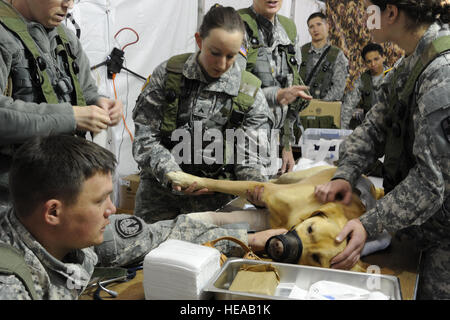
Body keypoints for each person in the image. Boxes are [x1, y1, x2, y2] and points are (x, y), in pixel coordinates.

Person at [0, 135, 286, 300]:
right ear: (53, 212)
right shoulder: (10, 286)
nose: (112, 210)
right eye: (100, 201)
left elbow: (161, 235)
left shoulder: (71, 231)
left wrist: (248, 238)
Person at [314, 0, 450, 299]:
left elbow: (432, 182)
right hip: (417, 226)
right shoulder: (410, 64)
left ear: (391, 12)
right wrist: (345, 174)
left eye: (369, 10)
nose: (364, 17)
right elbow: (376, 126)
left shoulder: (442, 74)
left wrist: (369, 224)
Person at [132, 6, 274, 223]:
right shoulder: (169, 76)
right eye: (215, 53)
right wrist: (172, 175)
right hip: (160, 200)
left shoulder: (250, 94)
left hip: (216, 210)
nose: (222, 64)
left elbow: (250, 158)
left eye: (231, 56)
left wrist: (256, 187)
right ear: (199, 41)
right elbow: (146, 137)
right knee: (150, 256)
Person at [0, 0, 123, 208]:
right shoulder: (4, 37)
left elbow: (86, 90)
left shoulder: (66, 38)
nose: (68, 5)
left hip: (63, 190)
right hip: (13, 201)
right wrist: (72, 117)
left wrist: (101, 103)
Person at [237, 0, 312, 174]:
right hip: (239, 137)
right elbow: (233, 83)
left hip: (271, 142)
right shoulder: (237, 24)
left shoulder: (288, 28)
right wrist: (274, 95)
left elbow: (291, 91)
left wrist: (286, 145)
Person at [340, 43, 392, 130]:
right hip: (370, 124)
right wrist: (343, 131)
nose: (373, 64)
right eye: (369, 61)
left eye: (376, 59)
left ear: (383, 57)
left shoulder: (393, 76)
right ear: (365, 63)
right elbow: (348, 106)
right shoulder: (362, 79)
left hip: (390, 124)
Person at [299, 12, 349, 102]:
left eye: (319, 24)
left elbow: (338, 87)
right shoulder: (300, 52)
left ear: (327, 26)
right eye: (311, 27)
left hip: (324, 108)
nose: (315, 29)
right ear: (308, 31)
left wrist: (321, 104)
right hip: (300, 106)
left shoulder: (337, 55)